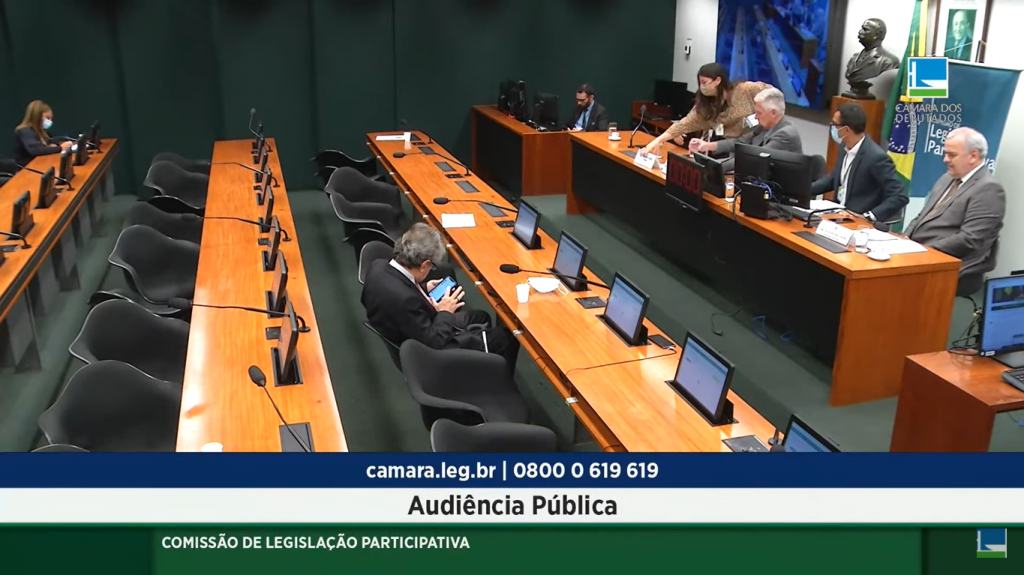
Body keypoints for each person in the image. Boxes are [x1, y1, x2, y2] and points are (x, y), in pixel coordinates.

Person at [361, 223, 520, 374]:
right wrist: (444, 311)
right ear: (424, 265)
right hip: (429, 352)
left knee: (480, 317)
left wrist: (422, 289)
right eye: (432, 266)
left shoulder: (377, 266)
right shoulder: (406, 300)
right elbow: (434, 343)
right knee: (507, 338)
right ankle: (498, 381)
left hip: (411, 328)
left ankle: (483, 364)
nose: (431, 269)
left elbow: (395, 292)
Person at [904, 127, 1004, 295]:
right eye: (945, 153)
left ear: (973, 156)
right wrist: (904, 240)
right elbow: (923, 216)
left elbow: (970, 239)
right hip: (919, 254)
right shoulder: (947, 178)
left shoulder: (989, 189)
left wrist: (922, 250)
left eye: (951, 155)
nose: (945, 159)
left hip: (950, 264)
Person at [639, 63, 773, 156]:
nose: (702, 87)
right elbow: (684, 124)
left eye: (704, 82)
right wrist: (658, 140)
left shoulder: (745, 90)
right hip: (733, 148)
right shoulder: (706, 106)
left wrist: (762, 113)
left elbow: (774, 96)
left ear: (718, 80)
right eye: (700, 83)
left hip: (761, 143)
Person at [811, 103, 907, 222]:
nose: (832, 128)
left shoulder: (876, 157)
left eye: (834, 124)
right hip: (837, 215)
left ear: (846, 129)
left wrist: (869, 216)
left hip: (857, 222)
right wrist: (804, 190)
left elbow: (900, 196)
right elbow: (833, 179)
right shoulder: (844, 146)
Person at [689, 87, 802, 172]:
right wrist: (707, 145)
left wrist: (715, 168)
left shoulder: (785, 134)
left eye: (759, 113)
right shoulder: (763, 126)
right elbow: (739, 142)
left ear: (773, 113)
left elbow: (754, 159)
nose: (755, 117)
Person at [13, 100, 71, 167]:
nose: (50, 121)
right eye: (47, 118)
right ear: (37, 117)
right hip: (26, 169)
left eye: (51, 118)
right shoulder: (24, 131)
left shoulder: (42, 131)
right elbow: (35, 150)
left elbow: (52, 141)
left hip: (40, 165)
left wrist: (56, 145)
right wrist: (60, 148)